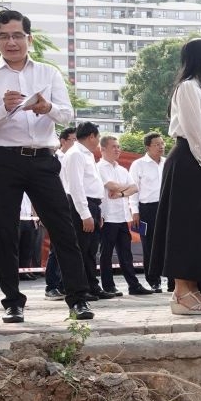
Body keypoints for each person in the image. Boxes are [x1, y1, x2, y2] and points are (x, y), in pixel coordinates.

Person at [0, 9, 94, 322]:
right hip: (4, 159)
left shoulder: (48, 73)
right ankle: (13, 301)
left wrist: (47, 106)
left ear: (29, 38)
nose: (11, 42)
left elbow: (66, 114)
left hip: (43, 158)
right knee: (6, 231)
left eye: (17, 35)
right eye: (4, 36)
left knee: (63, 229)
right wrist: (4, 107)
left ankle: (78, 299)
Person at [149, 37, 201, 315]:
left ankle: (191, 289)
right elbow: (196, 131)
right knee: (185, 229)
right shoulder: (187, 88)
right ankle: (181, 293)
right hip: (189, 162)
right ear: (199, 57)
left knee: (199, 230)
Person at [63, 121, 115, 300]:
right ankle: (81, 288)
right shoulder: (75, 154)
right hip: (81, 205)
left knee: (91, 250)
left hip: (93, 205)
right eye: (98, 137)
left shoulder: (87, 155)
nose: (98, 141)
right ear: (91, 136)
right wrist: (85, 214)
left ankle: (92, 286)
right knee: (81, 249)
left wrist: (98, 212)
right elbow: (76, 187)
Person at [96, 135, 151, 296]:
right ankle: (108, 286)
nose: (117, 149)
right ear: (103, 149)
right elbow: (110, 185)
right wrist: (125, 188)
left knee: (126, 253)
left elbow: (134, 188)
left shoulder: (122, 169)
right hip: (107, 216)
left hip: (122, 216)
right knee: (106, 253)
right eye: (113, 146)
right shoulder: (99, 167)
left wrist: (120, 193)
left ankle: (133, 285)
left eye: (118, 147)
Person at [44, 126, 77, 299]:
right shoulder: (55, 157)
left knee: (69, 244)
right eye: (73, 140)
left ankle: (65, 285)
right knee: (55, 247)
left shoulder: (77, 157)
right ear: (63, 141)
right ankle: (51, 285)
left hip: (72, 203)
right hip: (57, 202)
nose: (76, 143)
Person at [129, 131, 164, 292]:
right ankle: (154, 280)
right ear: (148, 147)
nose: (161, 147)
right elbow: (133, 189)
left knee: (168, 243)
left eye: (162, 143)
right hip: (146, 209)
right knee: (149, 245)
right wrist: (134, 211)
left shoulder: (166, 162)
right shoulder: (138, 164)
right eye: (157, 144)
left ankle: (173, 280)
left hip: (165, 207)